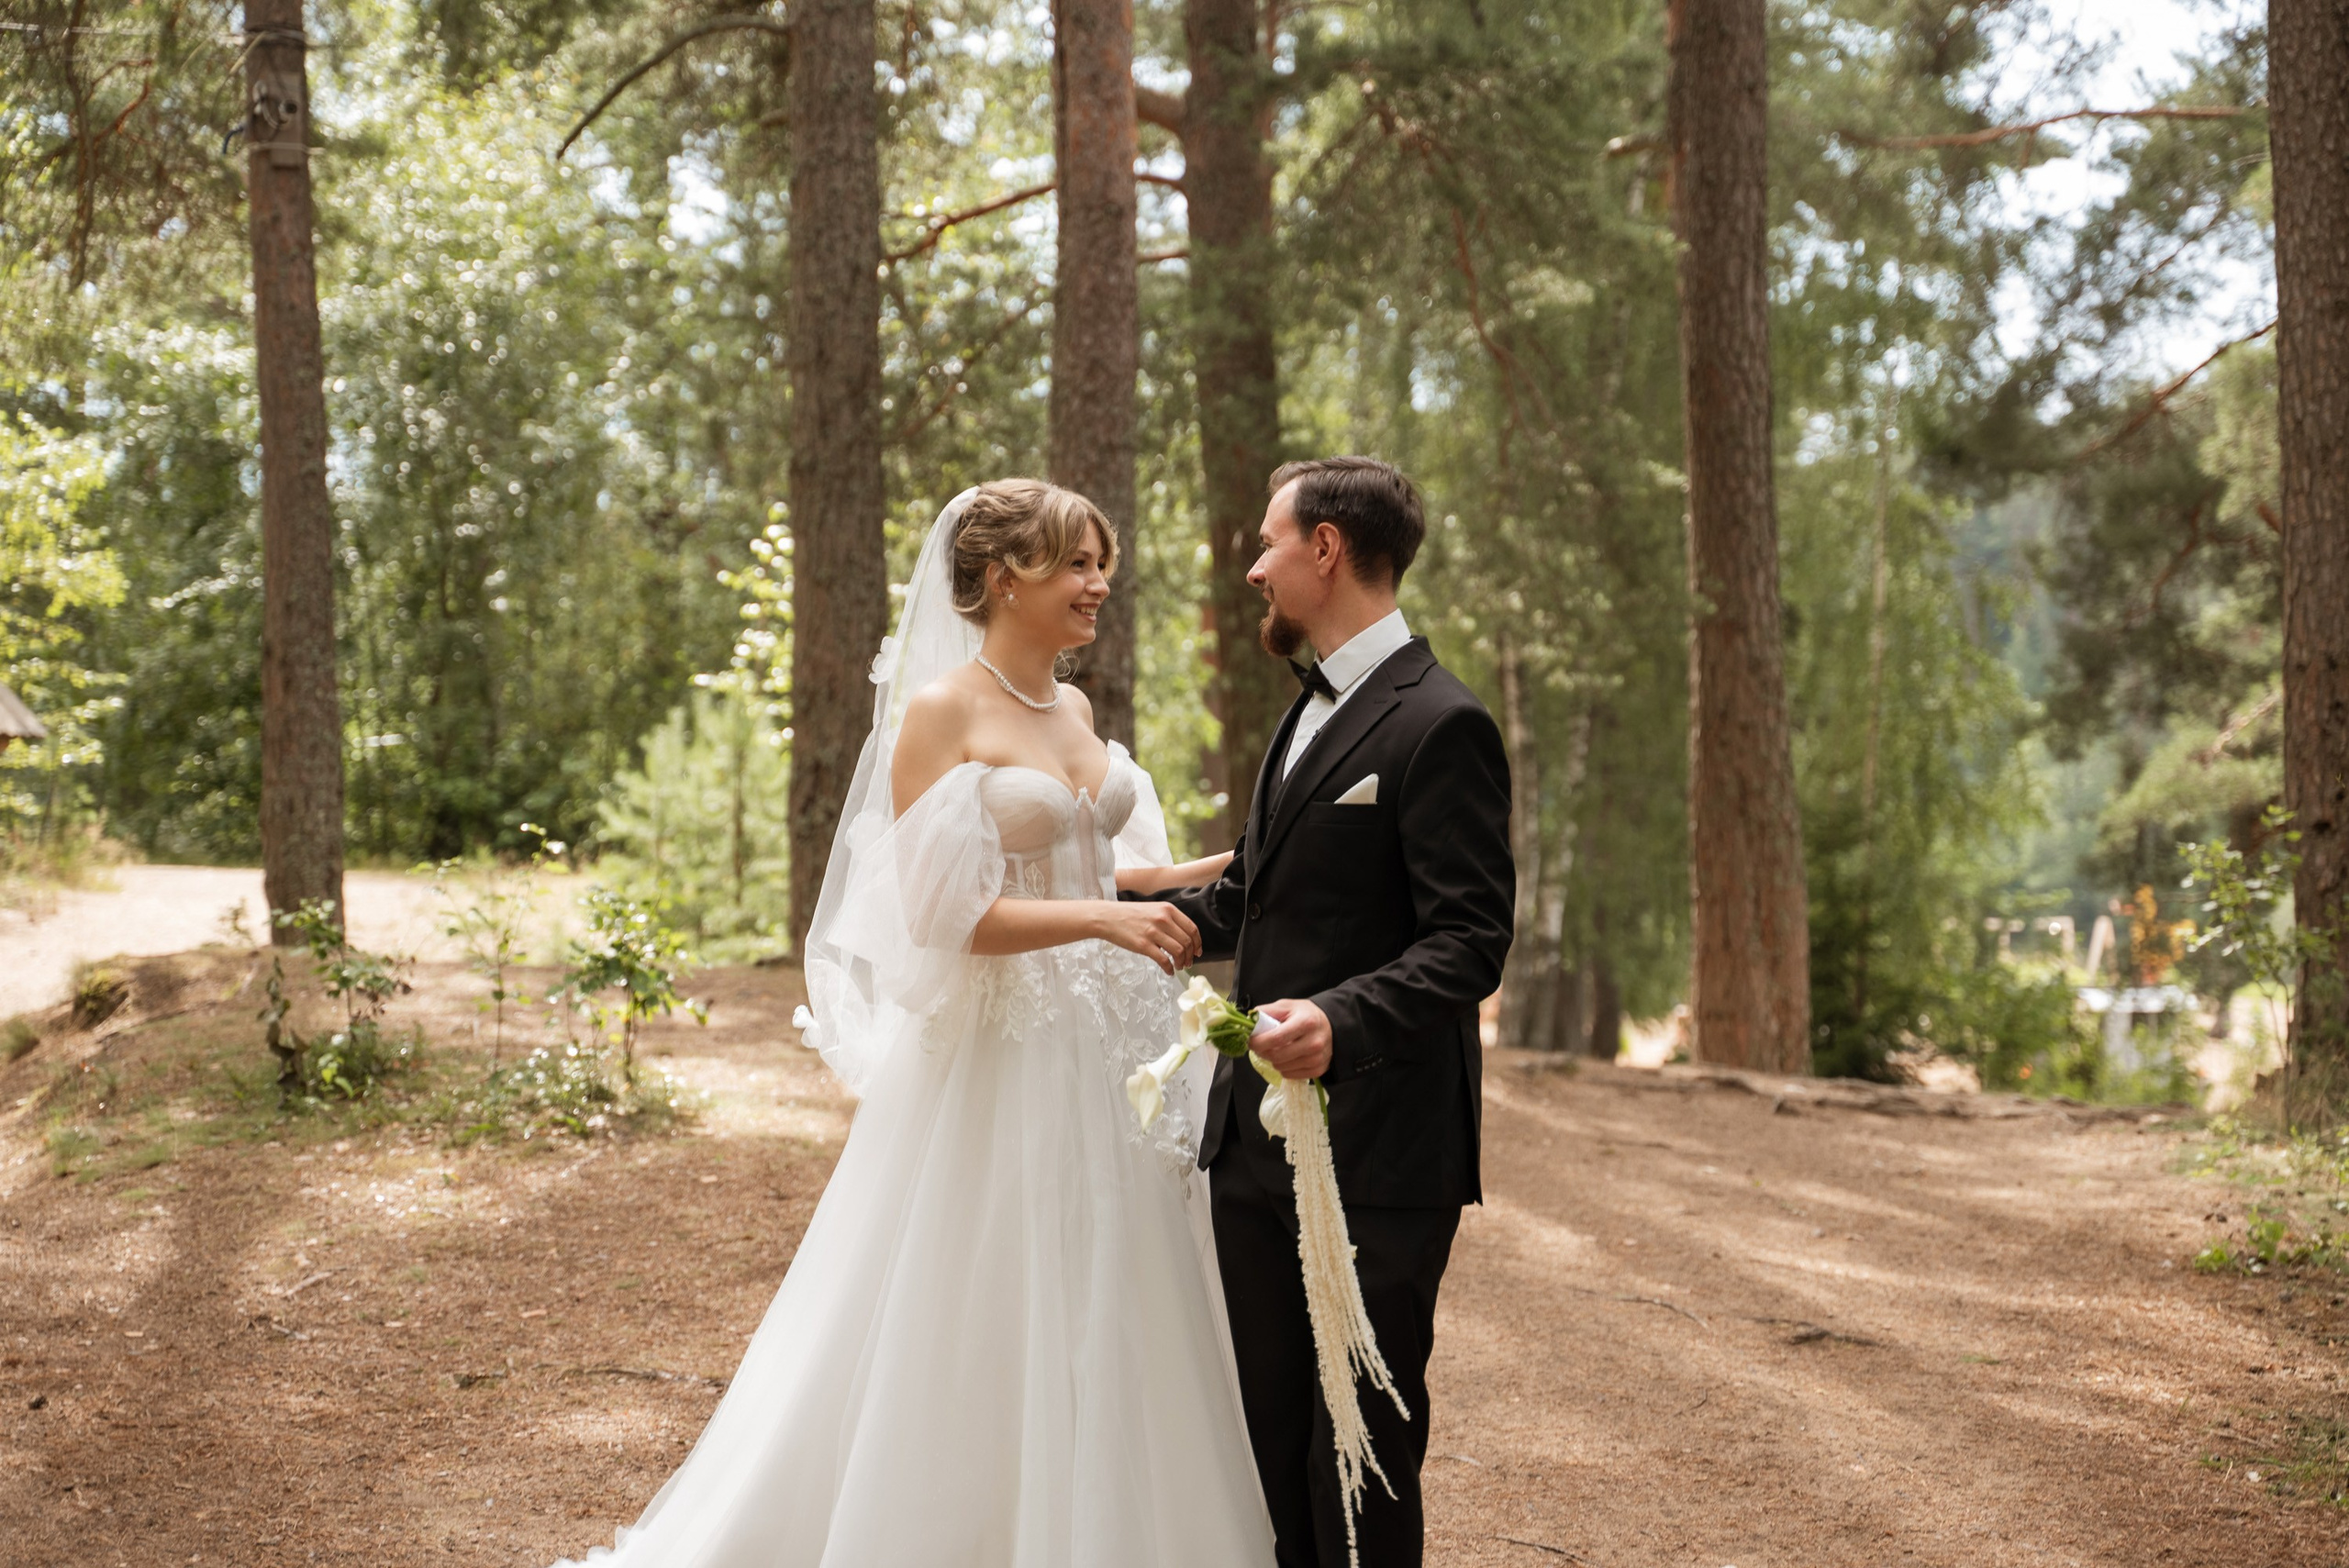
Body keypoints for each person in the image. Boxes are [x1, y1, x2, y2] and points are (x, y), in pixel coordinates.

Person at [551, 479, 1275, 1567]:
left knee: (1117, 1283)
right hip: (1004, 1053)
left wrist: (1197, 872)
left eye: (1100, 567)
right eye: (1076, 564)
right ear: (1001, 577)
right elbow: (941, 912)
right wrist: (1096, 920)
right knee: (989, 1290)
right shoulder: (943, 711)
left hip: (1106, 1044)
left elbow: (1081, 855)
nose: (1097, 587)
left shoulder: (1072, 713)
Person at [1157, 457, 1515, 1568]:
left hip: (1379, 1152)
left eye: (1269, 542)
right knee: (1266, 1444)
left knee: (1356, 1451)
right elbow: (1252, 897)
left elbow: (1469, 938)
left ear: (1325, 549)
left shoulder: (1441, 721)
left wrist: (1341, 1020)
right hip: (1250, 1148)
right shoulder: (1304, 712)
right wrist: (1094, 908)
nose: (1254, 567)